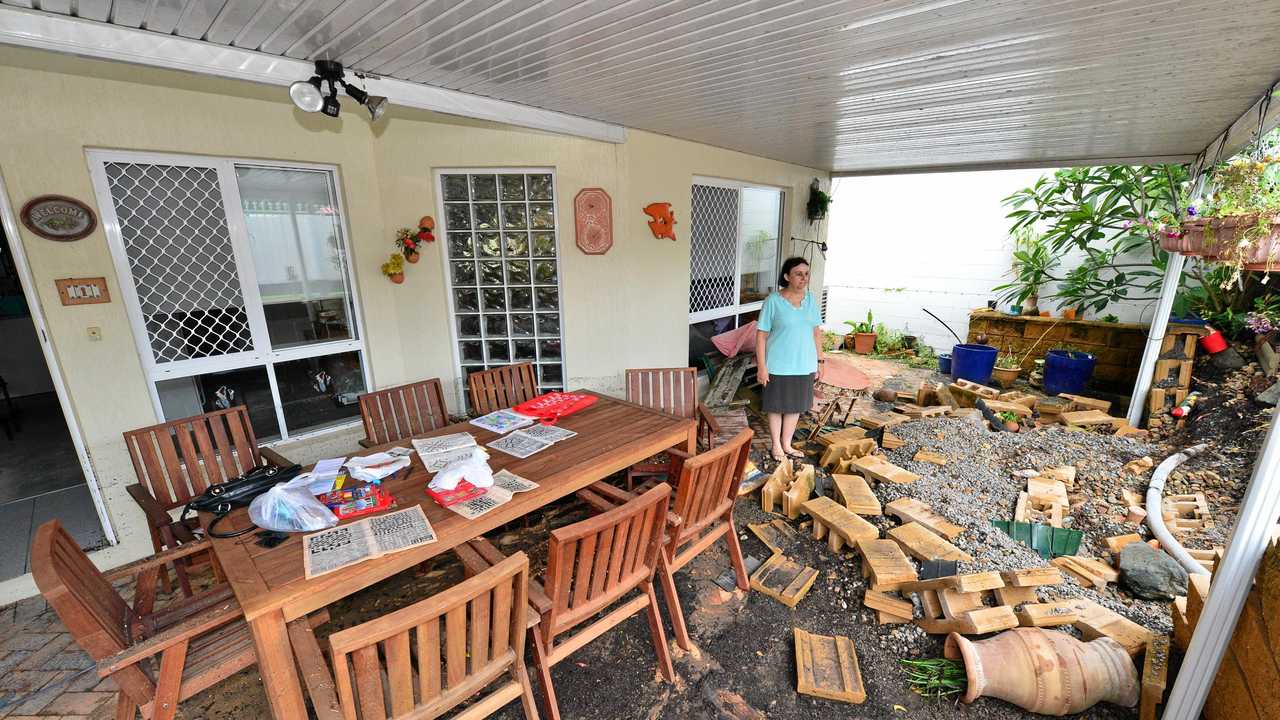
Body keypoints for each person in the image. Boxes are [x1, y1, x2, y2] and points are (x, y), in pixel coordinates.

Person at [755, 256, 825, 461]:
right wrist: (762, 366)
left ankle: (787, 444)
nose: (804, 278)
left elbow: (816, 332)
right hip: (777, 364)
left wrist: (820, 361)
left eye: (806, 274)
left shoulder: (811, 299)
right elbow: (761, 335)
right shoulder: (773, 301)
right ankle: (776, 444)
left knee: (795, 406)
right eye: (798, 274)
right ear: (787, 276)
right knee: (776, 406)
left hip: (804, 364)